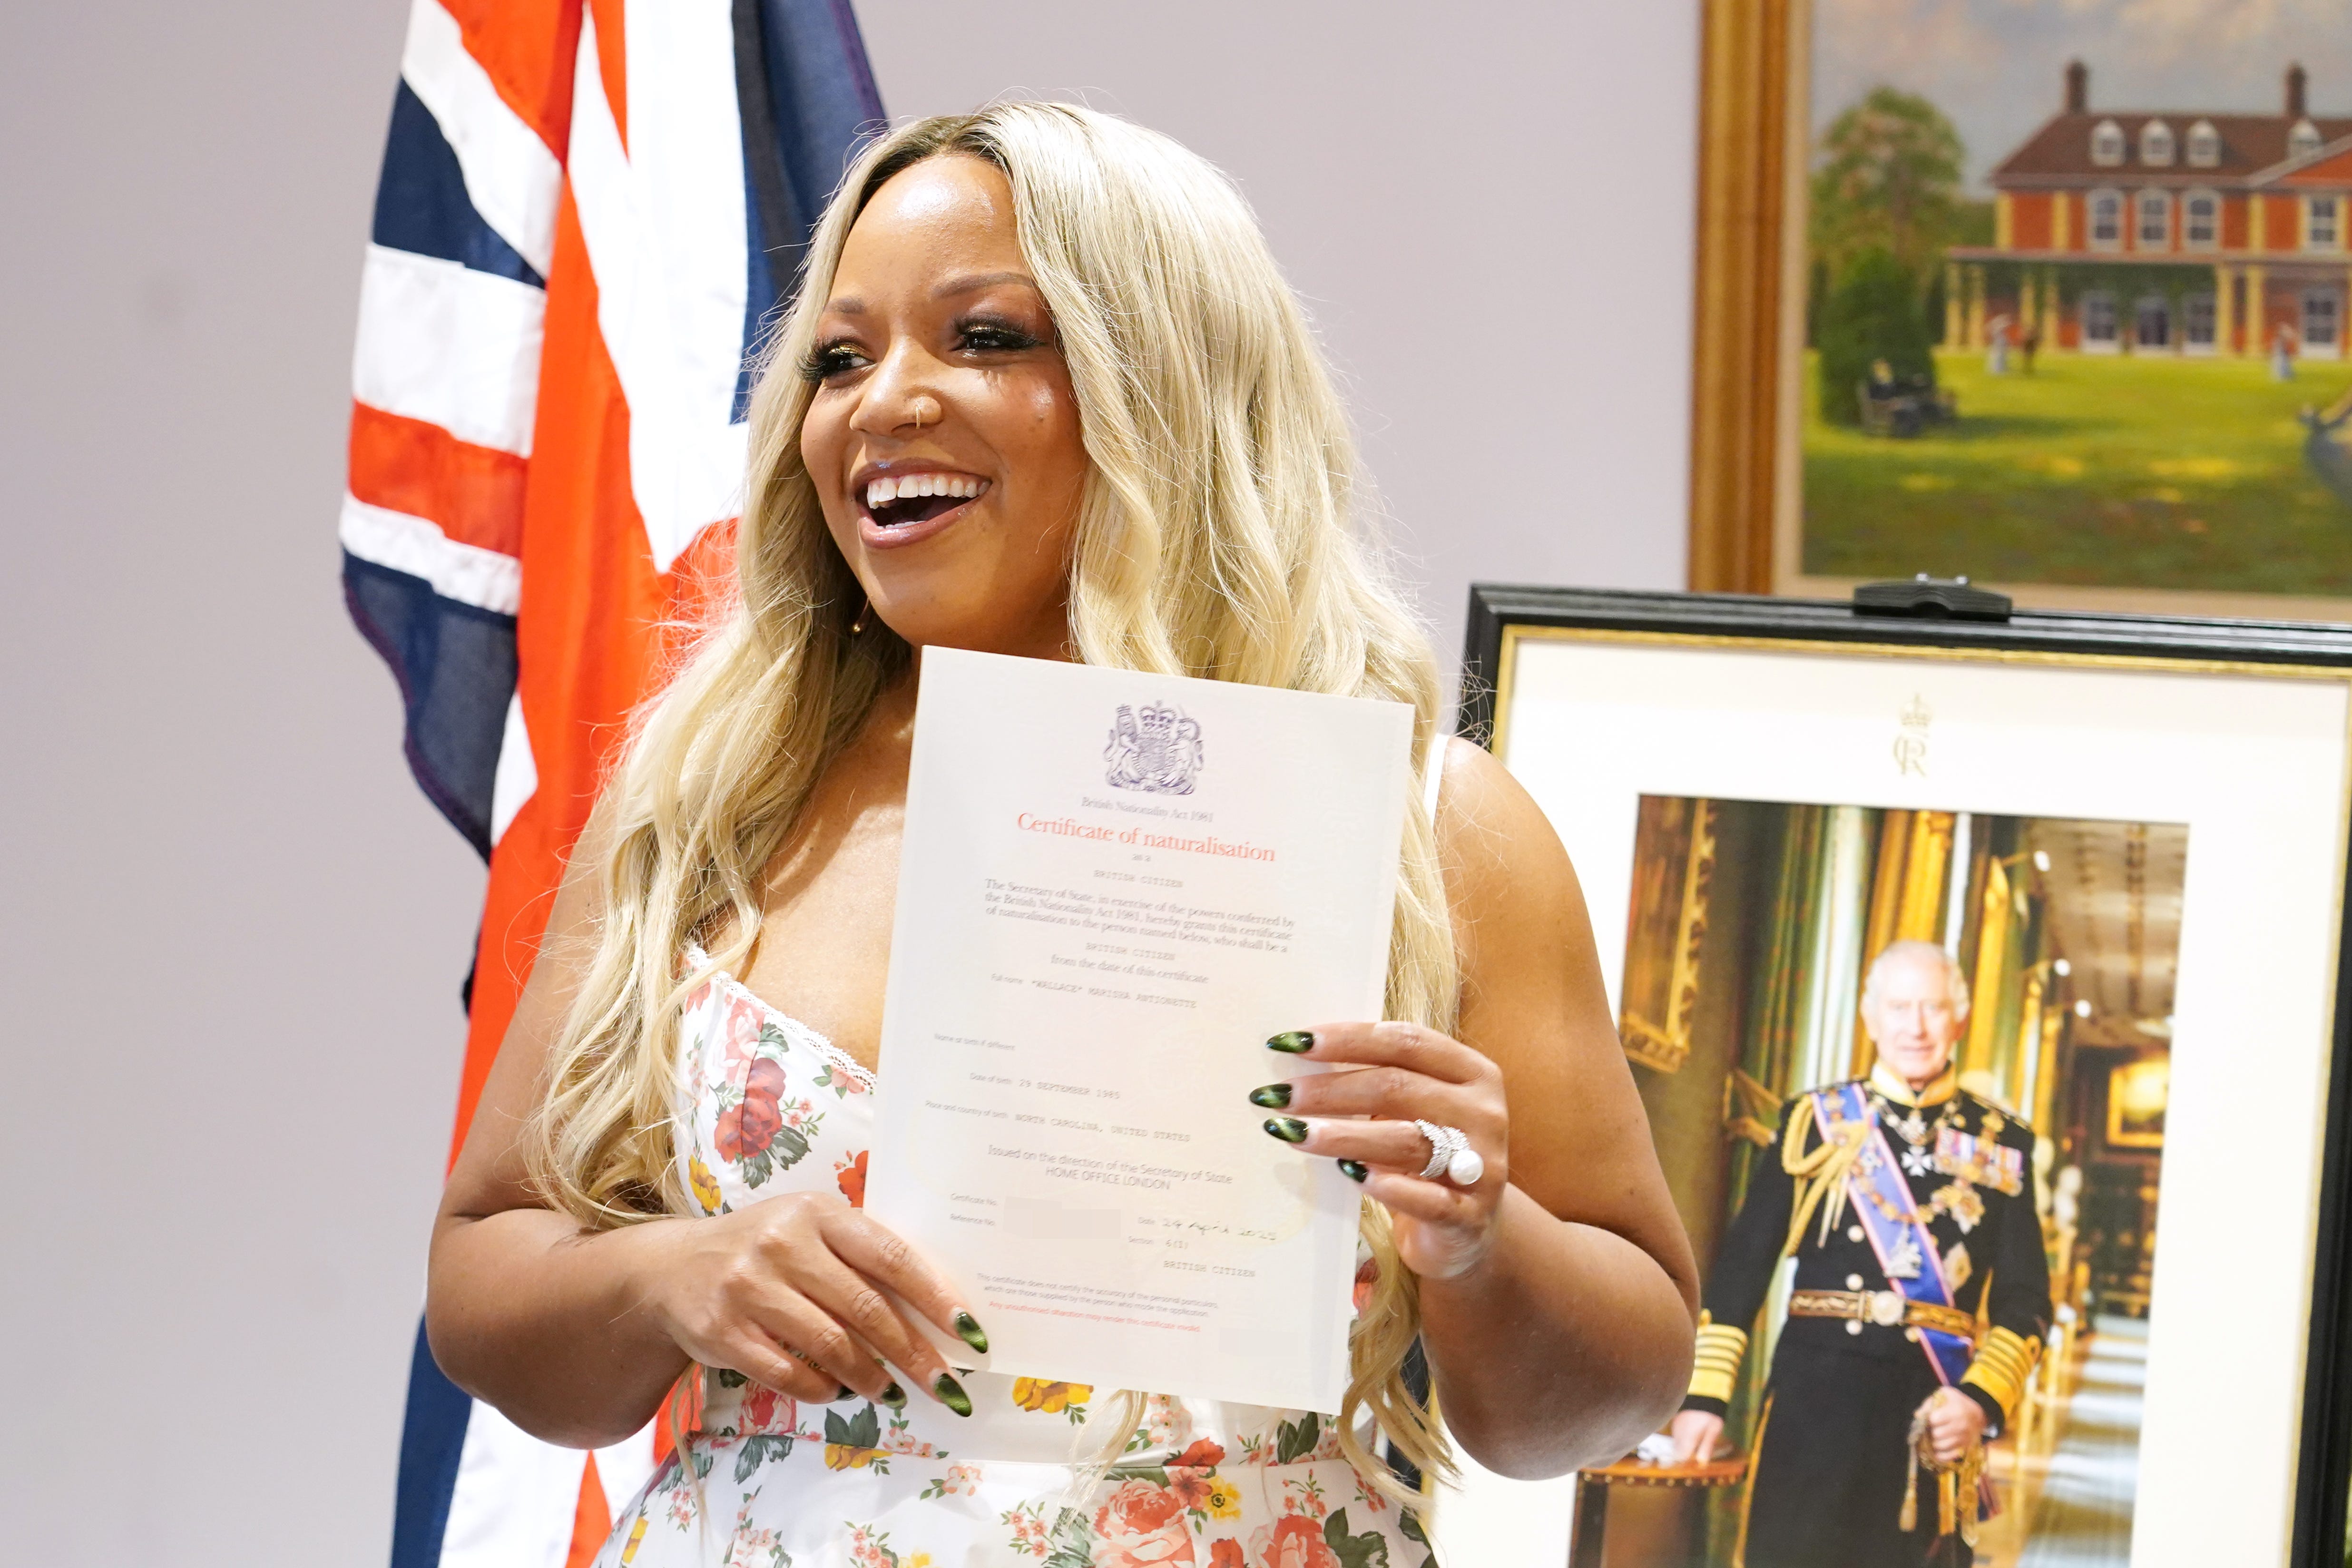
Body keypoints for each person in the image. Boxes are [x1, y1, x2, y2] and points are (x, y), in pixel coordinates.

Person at [425, 103, 1700, 1568]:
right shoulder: (714, 800)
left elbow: (1602, 1404)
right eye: (841, 357)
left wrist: (1479, 1240)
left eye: (984, 337)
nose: (882, 400)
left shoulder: (1428, 827)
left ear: (1161, 379)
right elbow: (483, 1282)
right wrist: (668, 1276)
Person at [1668, 940, 2051, 1568]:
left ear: (1960, 1016)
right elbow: (1743, 1269)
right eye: (1899, 1007)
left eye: (1933, 1007)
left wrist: (1978, 1400)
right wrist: (1705, 1398)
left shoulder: (2002, 1145)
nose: (1916, 1026)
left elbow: (2026, 1297)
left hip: (1930, 1407)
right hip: (1813, 1401)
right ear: (1871, 1018)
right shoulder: (1813, 1121)